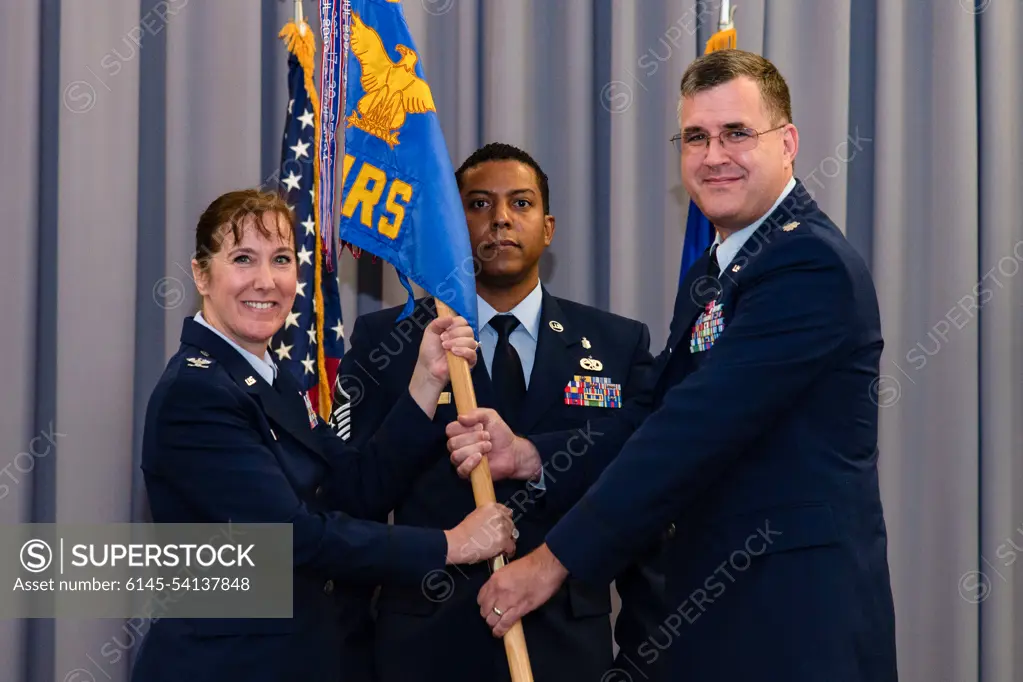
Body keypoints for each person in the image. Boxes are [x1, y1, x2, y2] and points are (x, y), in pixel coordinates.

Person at [447, 51, 899, 681]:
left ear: (788, 142)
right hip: (721, 614)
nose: (714, 155)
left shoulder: (806, 266)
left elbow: (691, 431)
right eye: (696, 137)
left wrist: (553, 561)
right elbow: (652, 411)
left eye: (737, 133)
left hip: (793, 622)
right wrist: (529, 454)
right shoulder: (717, 273)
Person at [130, 189, 515, 682]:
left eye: (282, 259)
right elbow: (294, 538)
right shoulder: (197, 393)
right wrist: (452, 545)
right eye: (243, 259)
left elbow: (354, 488)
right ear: (202, 274)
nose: (266, 281)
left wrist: (425, 380)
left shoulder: (271, 379)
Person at [335, 143, 659, 682]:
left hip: (567, 652)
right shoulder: (387, 341)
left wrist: (641, 662)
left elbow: (644, 498)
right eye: (479, 204)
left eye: (521, 204)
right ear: (451, 226)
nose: (501, 218)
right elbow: (356, 500)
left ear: (548, 227)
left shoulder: (618, 344)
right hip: (423, 651)